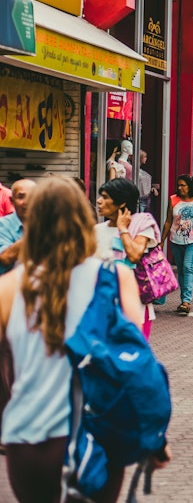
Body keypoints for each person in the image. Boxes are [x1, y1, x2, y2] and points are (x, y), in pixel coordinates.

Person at [0, 177, 170, 501]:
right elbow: (136, 363)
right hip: (98, 435)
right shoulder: (115, 278)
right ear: (82, 220)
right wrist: (154, 437)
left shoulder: (9, 287)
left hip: (28, 438)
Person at [95, 178, 160, 339]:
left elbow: (134, 255)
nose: (99, 201)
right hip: (103, 305)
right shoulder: (96, 230)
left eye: (105, 197)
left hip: (134, 306)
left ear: (121, 203)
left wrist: (123, 229)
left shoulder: (141, 225)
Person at [161, 174, 193, 316]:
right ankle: (183, 300)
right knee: (181, 269)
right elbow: (168, 221)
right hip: (175, 240)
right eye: (178, 185)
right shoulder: (173, 199)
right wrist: (162, 241)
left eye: (183, 185)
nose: (180, 188)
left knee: (187, 266)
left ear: (190, 186)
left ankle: (186, 301)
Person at [0, 180, 35, 273]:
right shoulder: (2, 225)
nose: (26, 202)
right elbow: (5, 258)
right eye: (21, 197)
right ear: (11, 201)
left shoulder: (47, 222)